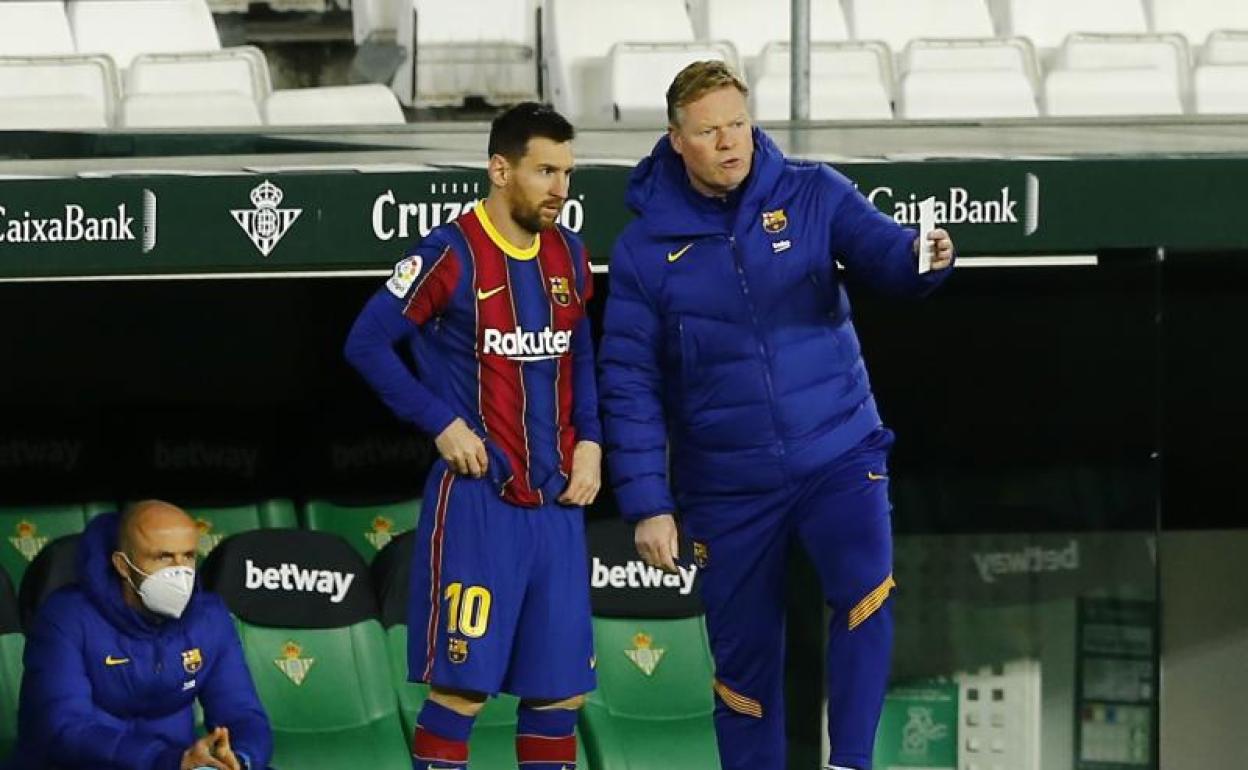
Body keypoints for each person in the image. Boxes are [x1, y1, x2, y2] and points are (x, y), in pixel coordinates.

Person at [597, 61, 955, 770]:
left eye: (737, 123)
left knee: (865, 595)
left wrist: (926, 258)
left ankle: (852, 761)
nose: (729, 141)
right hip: (727, 487)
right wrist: (647, 503)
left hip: (839, 450)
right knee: (743, 666)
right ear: (677, 140)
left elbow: (887, 253)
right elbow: (628, 381)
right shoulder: (643, 251)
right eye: (709, 131)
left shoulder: (814, 191)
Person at [344, 101, 600, 770]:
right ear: (499, 168)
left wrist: (593, 444)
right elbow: (366, 342)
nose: (559, 189)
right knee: (462, 689)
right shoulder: (451, 253)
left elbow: (580, 358)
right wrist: (441, 422)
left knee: (559, 695)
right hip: (480, 505)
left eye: (568, 173)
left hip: (559, 507)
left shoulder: (568, 253)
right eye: (545, 171)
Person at [9, 500, 272, 770]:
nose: (180, 571)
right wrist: (170, 761)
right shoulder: (65, 617)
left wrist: (239, 759)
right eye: (163, 557)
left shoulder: (210, 616)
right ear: (123, 565)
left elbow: (242, 714)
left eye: (189, 555)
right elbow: (63, 729)